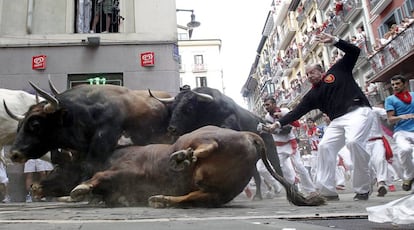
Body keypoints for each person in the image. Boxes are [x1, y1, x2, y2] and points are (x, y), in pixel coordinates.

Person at [270, 32, 374, 201]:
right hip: (337, 121)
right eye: (307, 75)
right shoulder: (312, 95)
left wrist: (335, 40)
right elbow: (296, 112)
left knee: (354, 142)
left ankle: (363, 188)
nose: (309, 76)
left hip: (359, 112)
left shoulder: (338, 70)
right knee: (325, 147)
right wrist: (278, 124)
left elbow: (354, 51)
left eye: (312, 72)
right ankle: (328, 191)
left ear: (322, 71)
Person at [263, 97, 317, 196]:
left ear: (274, 104)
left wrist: (283, 117)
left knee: (300, 166)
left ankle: (311, 190)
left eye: (268, 104)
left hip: (290, 143)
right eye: (265, 105)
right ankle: (293, 186)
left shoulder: (285, 111)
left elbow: (297, 124)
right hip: (278, 145)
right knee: (282, 168)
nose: (266, 107)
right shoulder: (267, 117)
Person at [384, 74, 414, 193]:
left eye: (397, 84)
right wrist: (403, 116)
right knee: (405, 150)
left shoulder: (413, 96)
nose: (395, 86)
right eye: (393, 85)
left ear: (404, 84)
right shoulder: (390, 99)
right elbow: (390, 119)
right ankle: (408, 177)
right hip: (401, 132)